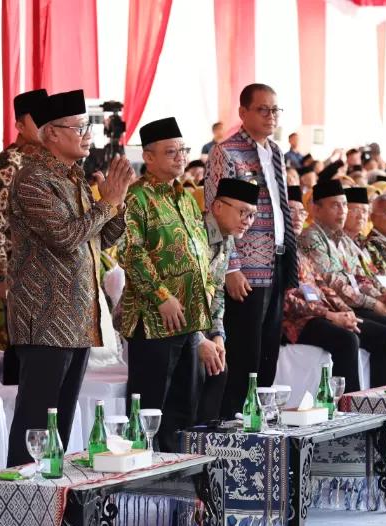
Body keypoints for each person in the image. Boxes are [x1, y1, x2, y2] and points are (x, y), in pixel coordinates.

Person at [5, 90, 133, 466]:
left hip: (77, 317)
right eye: (79, 127)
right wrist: (106, 203)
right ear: (52, 133)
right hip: (45, 320)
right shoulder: (33, 179)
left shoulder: (74, 177)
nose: (87, 133)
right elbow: (65, 236)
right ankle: (20, 503)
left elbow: (104, 237)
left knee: (58, 423)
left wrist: (117, 202)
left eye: (87, 126)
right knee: (37, 422)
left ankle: (51, 502)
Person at [204, 83, 299, 417]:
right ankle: (233, 426)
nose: (270, 116)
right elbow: (215, 211)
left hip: (275, 262)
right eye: (263, 109)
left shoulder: (276, 151)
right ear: (243, 113)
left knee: (267, 353)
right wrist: (231, 267)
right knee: (245, 355)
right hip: (245, 269)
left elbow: (280, 205)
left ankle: (261, 423)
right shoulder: (226, 152)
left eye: (275, 110)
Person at [120, 117, 212, 450]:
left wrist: (206, 303)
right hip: (153, 321)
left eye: (183, 150)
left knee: (182, 413)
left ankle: (175, 481)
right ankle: (140, 488)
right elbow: (130, 252)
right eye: (171, 151)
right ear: (149, 157)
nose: (180, 157)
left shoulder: (186, 198)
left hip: (189, 322)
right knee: (147, 413)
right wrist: (162, 297)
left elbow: (201, 254)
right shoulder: (135, 198)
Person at [298, 180, 386, 371]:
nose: (342, 211)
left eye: (344, 205)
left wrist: (381, 295)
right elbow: (332, 282)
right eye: (335, 205)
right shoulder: (312, 237)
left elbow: (359, 277)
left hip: (355, 301)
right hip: (337, 305)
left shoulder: (342, 239)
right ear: (316, 211)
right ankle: (380, 395)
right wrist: (372, 303)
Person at [285, 186, 386, 391]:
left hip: (324, 310)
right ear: (317, 209)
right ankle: (353, 409)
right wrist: (331, 314)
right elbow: (288, 299)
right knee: (351, 339)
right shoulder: (298, 243)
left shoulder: (307, 248)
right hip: (297, 319)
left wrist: (346, 310)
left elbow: (324, 286)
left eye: (300, 212)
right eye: (290, 212)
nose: (296, 218)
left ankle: (381, 400)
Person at [0, 89, 48, 385]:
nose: (47, 127)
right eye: (39, 121)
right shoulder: (7, 163)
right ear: (19, 125)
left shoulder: (51, 162)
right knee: (23, 349)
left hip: (50, 272)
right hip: (19, 274)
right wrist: (2, 275)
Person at [196, 178, 258, 423]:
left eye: (252, 215)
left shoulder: (228, 239)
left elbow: (217, 291)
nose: (247, 220)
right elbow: (184, 290)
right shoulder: (195, 233)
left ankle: (205, 441)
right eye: (242, 212)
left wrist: (217, 336)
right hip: (172, 322)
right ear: (218, 207)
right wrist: (200, 339)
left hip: (199, 325)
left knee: (220, 366)